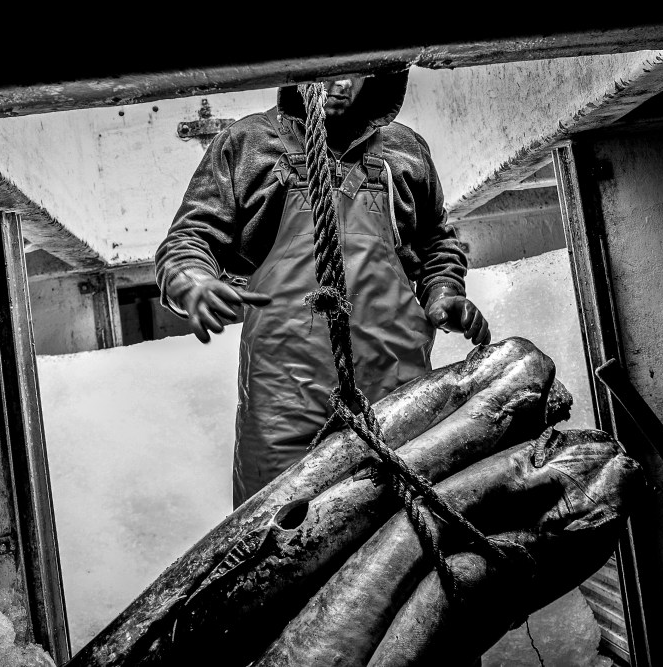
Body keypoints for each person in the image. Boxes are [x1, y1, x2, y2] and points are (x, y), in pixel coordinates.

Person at [155, 71, 490, 507]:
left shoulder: (406, 150)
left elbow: (436, 243)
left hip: (398, 388)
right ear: (299, 68)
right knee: (278, 527)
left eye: (355, 72)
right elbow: (189, 240)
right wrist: (192, 282)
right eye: (327, 73)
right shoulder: (246, 144)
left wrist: (444, 292)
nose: (341, 86)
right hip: (284, 400)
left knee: (413, 516)